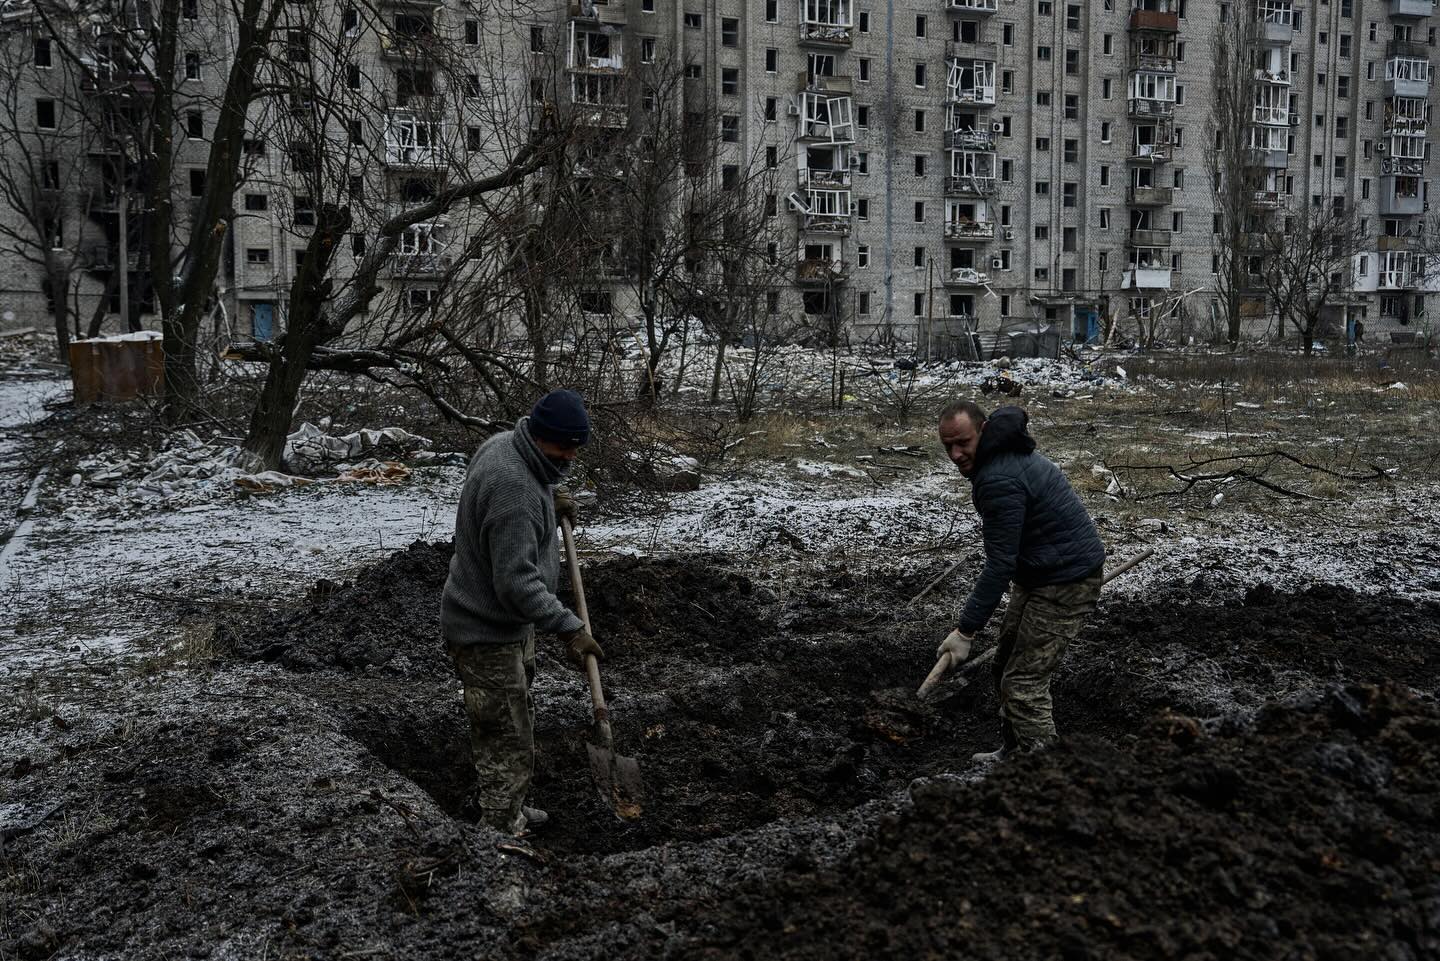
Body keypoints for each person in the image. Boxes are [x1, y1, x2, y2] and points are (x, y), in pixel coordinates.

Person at [441, 388, 604, 836]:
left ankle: (510, 807)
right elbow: (516, 584)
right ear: (539, 437)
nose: (570, 457)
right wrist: (570, 628)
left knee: (519, 718)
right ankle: (497, 834)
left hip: (507, 625)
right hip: (485, 631)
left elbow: (516, 518)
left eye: (577, 447)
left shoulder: (506, 446)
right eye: (563, 447)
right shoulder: (513, 487)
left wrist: (548, 503)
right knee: (506, 740)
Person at [934, 400, 1106, 762]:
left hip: (1066, 579)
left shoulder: (999, 478)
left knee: (1024, 684)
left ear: (983, 431)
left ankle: (1045, 774)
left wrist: (965, 631)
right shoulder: (1001, 454)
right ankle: (1014, 753)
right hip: (1042, 570)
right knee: (1005, 663)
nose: (955, 454)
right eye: (947, 445)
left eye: (963, 442)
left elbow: (999, 564)